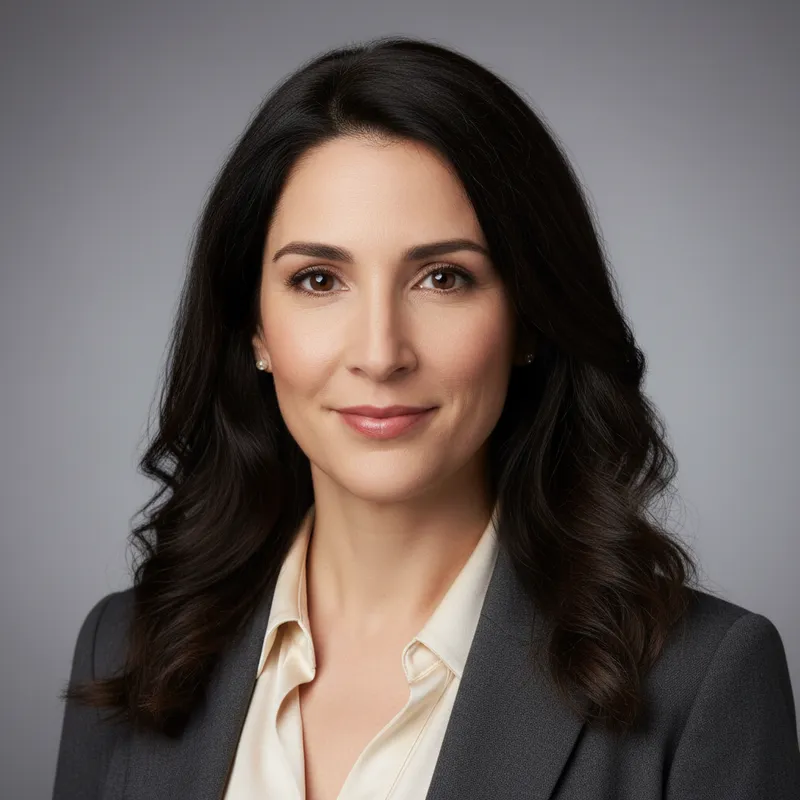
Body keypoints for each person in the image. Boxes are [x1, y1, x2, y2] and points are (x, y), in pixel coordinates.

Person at [52, 35, 800, 800]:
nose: (380, 353)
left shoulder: (704, 682)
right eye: (318, 279)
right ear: (254, 330)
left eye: (444, 277)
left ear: (529, 321)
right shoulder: (125, 648)